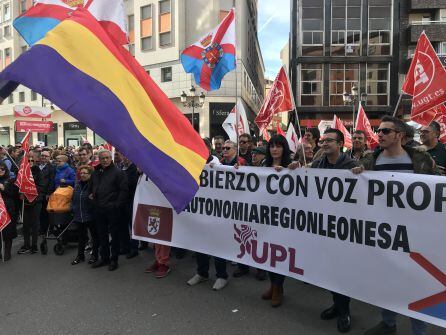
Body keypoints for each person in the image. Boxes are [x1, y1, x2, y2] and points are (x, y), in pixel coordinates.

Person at [354, 116, 435, 335]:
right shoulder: (371, 160)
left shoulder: (420, 159)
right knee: (385, 279)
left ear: (399, 135)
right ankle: (388, 322)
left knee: (417, 284)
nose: (379, 134)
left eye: (385, 131)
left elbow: (436, 189)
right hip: (383, 233)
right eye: (378, 130)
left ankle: (419, 330)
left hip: (415, 234)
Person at [311, 128, 357, 333]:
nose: (324, 143)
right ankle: (337, 304)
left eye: (329, 140)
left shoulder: (351, 165)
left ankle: (344, 310)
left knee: (343, 271)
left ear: (340, 144)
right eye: (323, 140)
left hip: (345, 227)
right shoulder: (318, 164)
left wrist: (361, 172)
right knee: (330, 269)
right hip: (323, 225)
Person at [187, 140, 244, 290]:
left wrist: (238, 169)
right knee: (200, 242)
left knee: (217, 244)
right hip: (204, 209)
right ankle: (202, 272)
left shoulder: (234, 163)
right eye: (223, 148)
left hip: (223, 212)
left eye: (227, 148)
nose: (224, 150)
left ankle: (221, 276)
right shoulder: (207, 163)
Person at [261, 135, 292, 308]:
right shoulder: (263, 166)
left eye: (278, 146)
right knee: (267, 253)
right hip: (266, 216)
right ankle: (272, 285)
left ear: (284, 148)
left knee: (280, 255)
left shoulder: (291, 166)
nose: (274, 149)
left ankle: (278, 287)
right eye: (272, 146)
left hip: (284, 219)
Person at [232, 145, 267, 281]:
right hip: (246, 209)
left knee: (260, 240)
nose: (254, 156)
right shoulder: (247, 167)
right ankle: (243, 266)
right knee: (243, 239)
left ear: (264, 156)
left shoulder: (267, 169)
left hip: (261, 211)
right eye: (253, 153)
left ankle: (261, 269)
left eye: (257, 154)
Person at [90, 150, 128, 271]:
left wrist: (116, 205)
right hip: (98, 208)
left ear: (111, 158)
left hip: (112, 209)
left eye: (107, 158)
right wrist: (92, 194)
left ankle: (114, 259)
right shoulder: (96, 172)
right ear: (99, 159)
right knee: (102, 235)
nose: (105, 160)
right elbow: (92, 186)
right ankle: (104, 258)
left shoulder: (118, 172)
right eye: (102, 158)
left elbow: (124, 191)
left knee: (115, 235)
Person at [71, 165, 99, 265]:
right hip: (79, 215)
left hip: (91, 215)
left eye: (85, 173)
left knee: (95, 237)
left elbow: (97, 199)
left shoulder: (94, 186)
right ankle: (80, 256)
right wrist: (73, 208)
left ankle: (94, 255)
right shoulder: (78, 184)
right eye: (81, 173)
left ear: (90, 174)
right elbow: (74, 198)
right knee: (81, 237)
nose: (82, 175)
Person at [17, 153, 45, 254]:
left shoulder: (38, 172)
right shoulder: (21, 172)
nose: (30, 162)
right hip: (24, 202)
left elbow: (42, 186)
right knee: (25, 225)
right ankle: (26, 244)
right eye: (28, 161)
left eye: (32, 160)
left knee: (34, 224)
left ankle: (34, 245)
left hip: (35, 201)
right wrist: (20, 192)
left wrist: (30, 190)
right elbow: (17, 185)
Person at [119, 155, 139, 259]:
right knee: (123, 225)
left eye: (127, 157)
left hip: (131, 200)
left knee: (132, 225)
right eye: (124, 156)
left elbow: (131, 184)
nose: (125, 158)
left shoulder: (134, 169)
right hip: (121, 201)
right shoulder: (120, 167)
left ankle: (134, 248)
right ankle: (125, 246)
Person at [0, 162, 18, 261]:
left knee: (7, 232)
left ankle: (7, 252)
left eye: (3, 169)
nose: (1, 170)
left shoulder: (10, 180)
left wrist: (4, 188)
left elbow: (13, 194)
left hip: (8, 208)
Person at [37, 149, 55, 235]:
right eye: (42, 155)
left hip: (46, 193)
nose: (44, 157)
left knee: (46, 212)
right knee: (40, 212)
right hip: (37, 192)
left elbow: (51, 181)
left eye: (46, 156)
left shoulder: (51, 167)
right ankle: (41, 228)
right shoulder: (37, 166)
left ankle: (48, 229)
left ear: (49, 157)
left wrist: (49, 193)